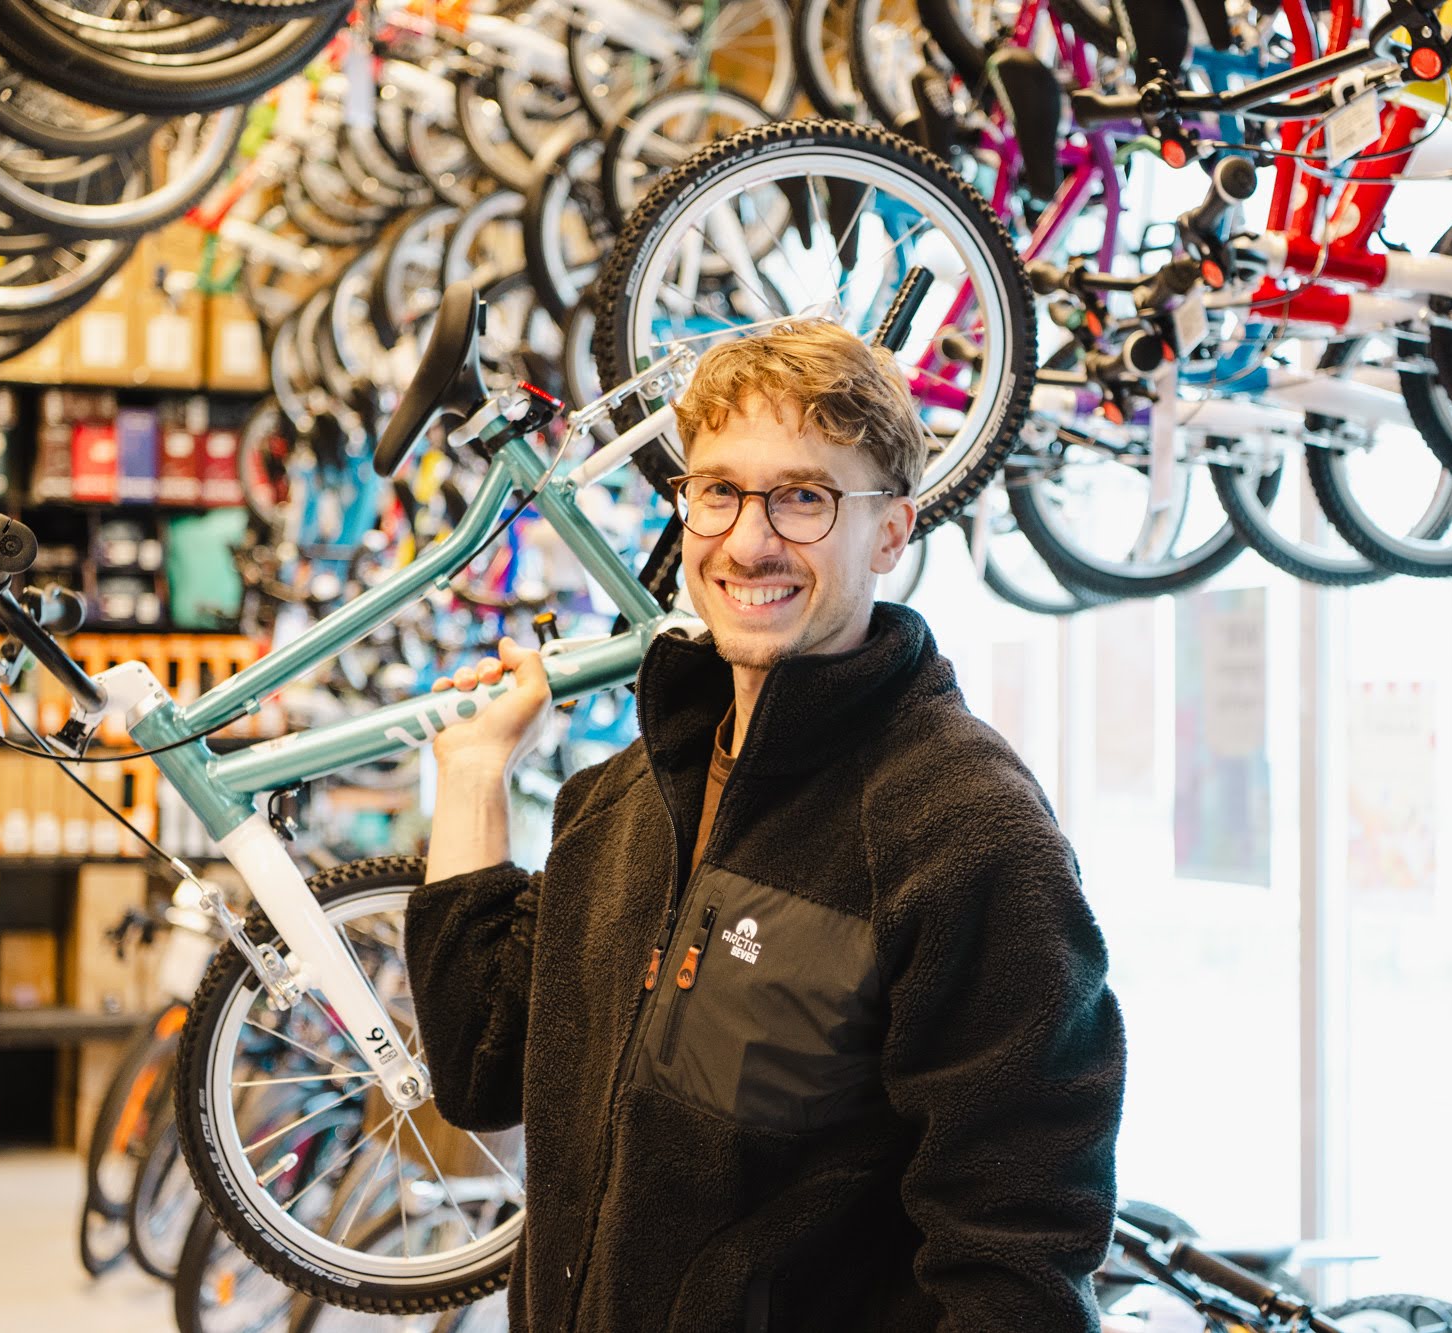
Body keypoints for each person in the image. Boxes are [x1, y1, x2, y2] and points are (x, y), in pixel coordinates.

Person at [406, 321, 1126, 1332]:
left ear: (889, 530)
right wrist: (476, 777)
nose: (749, 540)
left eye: (803, 497)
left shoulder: (963, 830)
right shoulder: (624, 798)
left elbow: (1016, 1258)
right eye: (718, 491)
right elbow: (481, 1065)